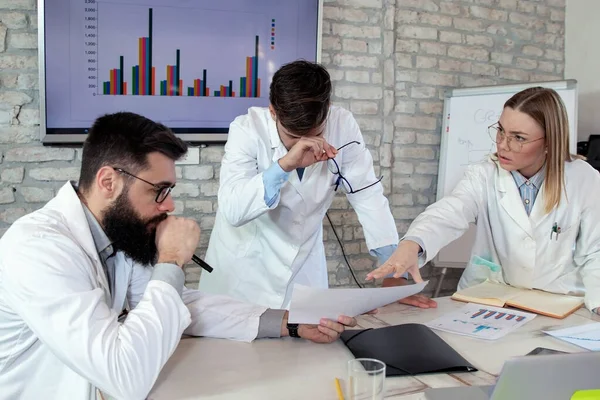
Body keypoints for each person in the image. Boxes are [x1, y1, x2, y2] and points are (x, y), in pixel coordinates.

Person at [0, 112, 358, 400]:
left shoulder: (115, 233)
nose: (169, 205)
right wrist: (170, 260)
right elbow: (126, 376)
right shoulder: (38, 249)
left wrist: (290, 323)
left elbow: (181, 307)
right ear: (108, 182)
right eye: (160, 191)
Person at [198, 60, 436, 309]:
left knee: (306, 345)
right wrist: (284, 165)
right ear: (272, 112)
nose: (306, 144)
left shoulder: (342, 125)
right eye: (293, 137)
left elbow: (367, 195)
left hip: (302, 271)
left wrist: (393, 273)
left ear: (328, 109)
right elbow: (234, 211)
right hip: (242, 276)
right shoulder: (246, 129)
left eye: (316, 134)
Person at [367, 87, 600, 314]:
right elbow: (449, 212)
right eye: (500, 131)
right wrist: (413, 244)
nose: (502, 145)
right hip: (491, 299)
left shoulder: (583, 178)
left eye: (518, 137)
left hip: (556, 302)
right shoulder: (483, 175)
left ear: (549, 142)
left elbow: (595, 251)